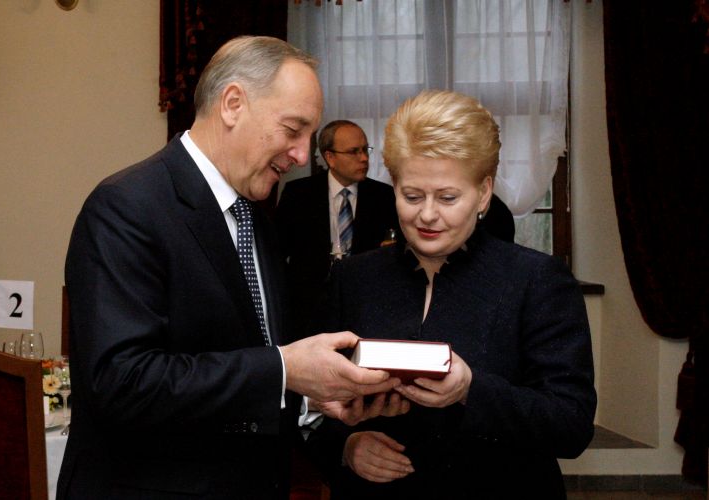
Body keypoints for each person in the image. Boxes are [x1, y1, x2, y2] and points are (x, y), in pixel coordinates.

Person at [58, 36, 402, 499]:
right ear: (233, 104)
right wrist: (285, 370)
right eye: (293, 129)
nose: (303, 155)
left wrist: (313, 397)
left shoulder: (253, 218)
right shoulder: (127, 207)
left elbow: (246, 360)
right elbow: (122, 383)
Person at [307, 90, 597, 499]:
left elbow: (571, 425)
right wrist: (345, 447)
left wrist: (470, 390)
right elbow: (311, 407)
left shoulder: (537, 280)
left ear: (483, 193)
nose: (427, 214)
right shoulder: (353, 279)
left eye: (447, 197)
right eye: (411, 196)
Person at [275, 120, 400, 338]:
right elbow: (276, 252)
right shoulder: (298, 194)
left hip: (365, 307)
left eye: (365, 150)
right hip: (308, 312)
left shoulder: (384, 196)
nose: (364, 158)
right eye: (354, 151)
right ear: (330, 157)